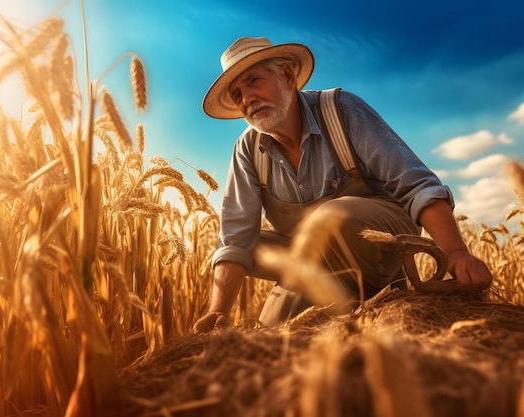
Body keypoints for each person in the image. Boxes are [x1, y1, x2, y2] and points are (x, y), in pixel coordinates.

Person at [193, 37, 493, 332]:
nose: (247, 99)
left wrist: (455, 252)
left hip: (379, 250)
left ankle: (377, 288)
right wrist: (218, 311)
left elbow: (417, 185)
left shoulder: (341, 110)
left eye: (254, 81)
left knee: (330, 217)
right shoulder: (247, 149)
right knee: (243, 249)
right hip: (312, 262)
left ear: (286, 76)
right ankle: (329, 294)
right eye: (237, 94)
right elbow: (235, 238)